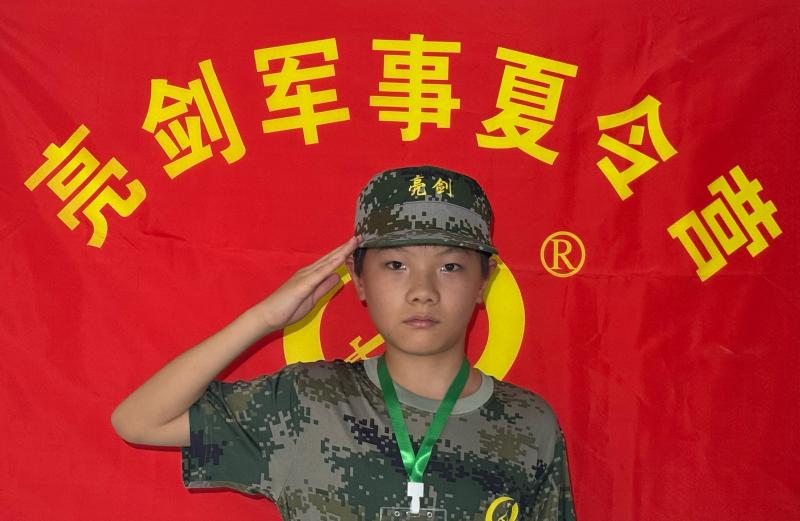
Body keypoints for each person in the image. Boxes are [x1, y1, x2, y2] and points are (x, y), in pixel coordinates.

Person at [111, 165, 577, 521]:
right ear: (358, 278)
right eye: (395, 265)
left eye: (450, 266)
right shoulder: (307, 402)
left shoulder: (529, 424)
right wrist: (263, 318)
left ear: (484, 281)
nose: (423, 290)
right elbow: (139, 421)